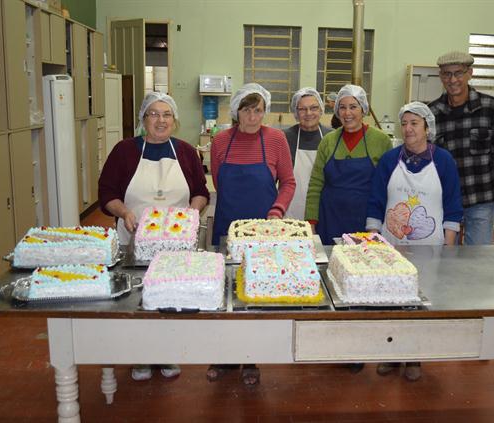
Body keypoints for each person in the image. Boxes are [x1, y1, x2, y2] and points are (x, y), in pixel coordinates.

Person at [98, 91, 209, 381]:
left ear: (175, 120)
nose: (161, 120)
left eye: (167, 114)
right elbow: (107, 193)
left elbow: (200, 191)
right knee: (135, 298)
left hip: (176, 242)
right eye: (154, 114)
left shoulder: (185, 152)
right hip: (133, 239)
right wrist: (124, 212)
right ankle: (139, 355)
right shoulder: (124, 150)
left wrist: (191, 214)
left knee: (170, 297)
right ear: (143, 118)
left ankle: (168, 351)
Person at [365, 102, 463, 381]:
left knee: (421, 303)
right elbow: (376, 201)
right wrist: (373, 240)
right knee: (392, 302)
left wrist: (449, 246)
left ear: (427, 128)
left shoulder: (443, 161)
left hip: (430, 248)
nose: (408, 129)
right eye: (404, 123)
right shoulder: (390, 160)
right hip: (392, 245)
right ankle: (391, 355)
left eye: (414, 124)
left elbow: (453, 205)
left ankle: (415, 357)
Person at [209, 82, 295, 386]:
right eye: (247, 110)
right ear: (236, 111)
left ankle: (250, 359)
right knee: (225, 292)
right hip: (226, 227)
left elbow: (288, 182)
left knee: (255, 294)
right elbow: (219, 182)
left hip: (262, 231)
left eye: (259, 110)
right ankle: (223, 355)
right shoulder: (220, 141)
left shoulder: (276, 139)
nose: (253, 117)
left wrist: (276, 211)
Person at [429, 51, 494, 245]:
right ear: (441, 76)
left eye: (458, 73)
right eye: (447, 74)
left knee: (479, 258)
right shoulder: (432, 113)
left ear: (470, 73)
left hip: (481, 199)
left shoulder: (490, 108)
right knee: (443, 259)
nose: (452, 80)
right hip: (444, 202)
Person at [305, 84, 392, 245]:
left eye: (353, 107)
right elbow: (316, 184)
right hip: (329, 217)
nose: (347, 113)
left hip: (366, 221)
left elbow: (386, 187)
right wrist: (311, 222)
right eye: (342, 107)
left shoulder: (381, 141)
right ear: (337, 111)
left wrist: (379, 223)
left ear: (363, 109)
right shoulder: (328, 141)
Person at [283, 88, 332, 220]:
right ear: (296, 112)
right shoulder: (285, 138)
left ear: (321, 110)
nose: (308, 113)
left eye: (313, 108)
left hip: (323, 208)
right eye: (302, 109)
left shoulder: (331, 137)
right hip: (291, 209)